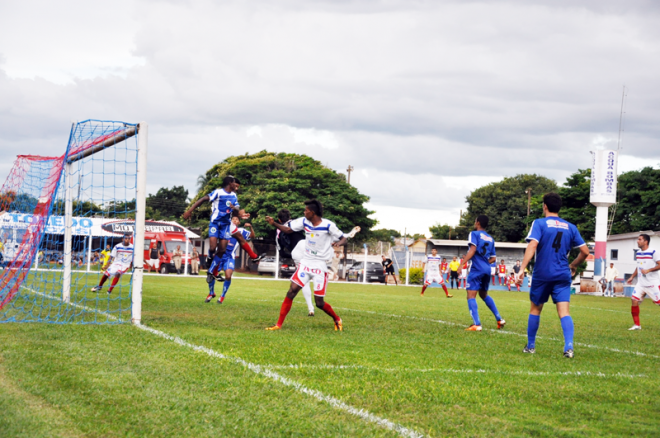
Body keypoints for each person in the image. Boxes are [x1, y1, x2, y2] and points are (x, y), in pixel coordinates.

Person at [517, 193, 589, 358]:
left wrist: (522, 268)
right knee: (564, 311)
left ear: (545, 206)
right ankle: (569, 347)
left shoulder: (540, 223)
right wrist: (574, 265)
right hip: (563, 273)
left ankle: (531, 346)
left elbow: (532, 245)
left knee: (536, 308)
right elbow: (585, 252)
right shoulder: (571, 227)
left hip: (543, 273)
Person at [265, 199, 347, 331]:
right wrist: (274, 223)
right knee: (291, 291)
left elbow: (343, 237)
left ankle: (337, 319)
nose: (304, 212)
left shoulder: (328, 225)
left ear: (312, 212)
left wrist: (339, 243)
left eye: (306, 210)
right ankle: (278, 325)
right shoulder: (304, 221)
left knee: (319, 303)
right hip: (306, 262)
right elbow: (288, 229)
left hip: (320, 266)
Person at [182, 176, 261, 284]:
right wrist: (190, 210)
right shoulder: (218, 193)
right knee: (216, 247)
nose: (237, 188)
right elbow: (204, 199)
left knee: (226, 247)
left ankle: (212, 272)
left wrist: (239, 213)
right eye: (235, 185)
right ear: (230, 183)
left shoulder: (234, 196)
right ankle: (211, 265)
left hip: (226, 225)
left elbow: (235, 210)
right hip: (216, 223)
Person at [461, 215, 505, 331]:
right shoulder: (491, 238)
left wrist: (462, 264)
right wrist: (484, 263)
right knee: (483, 294)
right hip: (487, 269)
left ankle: (477, 324)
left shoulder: (474, 234)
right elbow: (493, 258)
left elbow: (473, 250)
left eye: (475, 221)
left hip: (477, 269)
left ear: (478, 223)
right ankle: (499, 319)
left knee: (471, 295)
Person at [207, 215, 254, 304]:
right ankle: (211, 293)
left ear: (239, 222)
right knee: (211, 274)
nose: (235, 220)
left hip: (229, 257)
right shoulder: (223, 228)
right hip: (219, 256)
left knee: (228, 276)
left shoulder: (240, 231)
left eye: (237, 219)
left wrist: (251, 227)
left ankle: (222, 296)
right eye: (233, 219)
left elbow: (252, 236)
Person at [276, 208, 315, 316]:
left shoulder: (278, 232)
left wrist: (293, 255)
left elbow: (282, 253)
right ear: (290, 217)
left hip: (296, 251)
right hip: (307, 245)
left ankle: (311, 308)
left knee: (304, 280)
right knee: (317, 271)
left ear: (279, 220)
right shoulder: (296, 223)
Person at [626, 234, 660, 330]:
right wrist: (632, 277)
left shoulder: (653, 252)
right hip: (641, 283)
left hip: (652, 283)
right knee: (634, 300)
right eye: (638, 239)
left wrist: (649, 270)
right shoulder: (638, 253)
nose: (637, 241)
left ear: (646, 241)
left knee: (658, 302)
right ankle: (637, 325)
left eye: (640, 239)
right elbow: (638, 266)